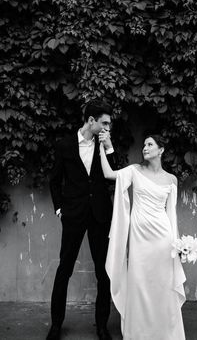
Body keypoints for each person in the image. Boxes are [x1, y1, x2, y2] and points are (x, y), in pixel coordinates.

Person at [98, 133, 186, 340]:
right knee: (139, 282)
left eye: (150, 144)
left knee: (162, 284)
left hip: (163, 240)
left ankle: (166, 333)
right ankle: (139, 333)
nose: (145, 148)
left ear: (161, 150)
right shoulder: (134, 171)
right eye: (144, 145)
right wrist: (103, 147)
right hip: (139, 238)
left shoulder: (171, 180)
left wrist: (179, 245)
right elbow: (109, 174)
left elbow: (171, 214)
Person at [47, 101, 115, 340]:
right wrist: (59, 210)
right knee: (64, 269)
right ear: (91, 121)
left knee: (103, 272)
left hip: (99, 215)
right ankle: (56, 325)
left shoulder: (103, 144)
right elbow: (54, 181)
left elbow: (113, 177)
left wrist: (108, 148)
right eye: (104, 122)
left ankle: (102, 326)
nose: (108, 127)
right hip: (73, 215)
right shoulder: (64, 145)